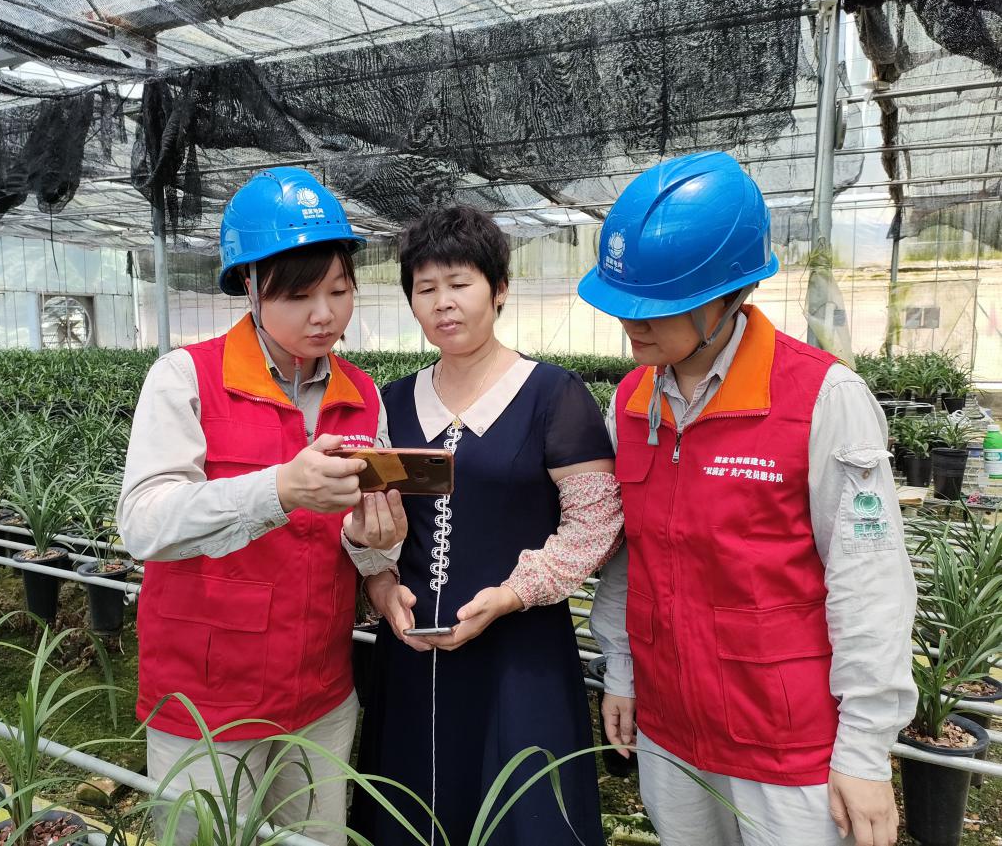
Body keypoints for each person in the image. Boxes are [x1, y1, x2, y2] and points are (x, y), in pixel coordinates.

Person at [581, 152, 917, 846]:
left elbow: (869, 581)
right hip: (671, 728)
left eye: (658, 305)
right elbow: (626, 559)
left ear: (730, 295)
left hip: (785, 743)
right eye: (622, 302)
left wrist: (863, 749)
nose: (631, 322)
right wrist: (622, 672)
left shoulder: (820, 399)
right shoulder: (631, 403)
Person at [117, 167, 406, 846]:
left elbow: (360, 533)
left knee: (315, 838)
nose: (324, 314)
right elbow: (144, 522)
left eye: (339, 290)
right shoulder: (186, 379)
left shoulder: (362, 394)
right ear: (249, 286)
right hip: (207, 697)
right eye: (298, 295)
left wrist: (377, 550)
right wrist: (277, 489)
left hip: (320, 689)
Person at [349, 206, 624, 845]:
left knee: (522, 811)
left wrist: (512, 594)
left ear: (499, 289)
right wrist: (381, 585)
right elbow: (367, 517)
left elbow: (596, 522)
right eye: (425, 288)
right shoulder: (391, 403)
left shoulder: (553, 396)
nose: (443, 302)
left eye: (460, 283)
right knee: (411, 808)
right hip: (411, 650)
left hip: (519, 653)